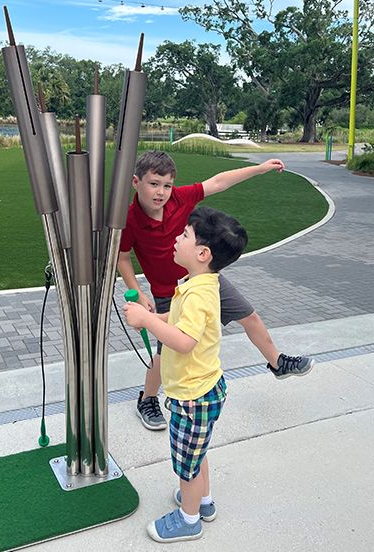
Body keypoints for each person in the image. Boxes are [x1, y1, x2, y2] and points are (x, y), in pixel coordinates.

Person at [117, 151, 314, 431]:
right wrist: (137, 293)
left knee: (250, 316)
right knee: (165, 350)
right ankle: (148, 399)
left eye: (167, 185)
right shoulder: (130, 219)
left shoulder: (180, 198)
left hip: (205, 278)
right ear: (136, 182)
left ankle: (277, 362)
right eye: (154, 184)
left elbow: (219, 182)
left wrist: (259, 169)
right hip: (169, 293)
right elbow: (122, 258)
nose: (161, 192)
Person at [123, 206, 248, 542]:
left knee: (186, 464)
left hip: (192, 396)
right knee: (198, 450)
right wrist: (154, 317)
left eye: (184, 236)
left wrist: (148, 321)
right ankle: (203, 501)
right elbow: (178, 324)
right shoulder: (200, 283)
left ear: (202, 253)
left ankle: (189, 518)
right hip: (205, 387)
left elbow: (184, 341)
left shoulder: (197, 294)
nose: (176, 240)